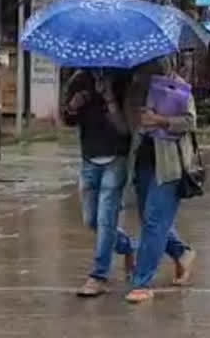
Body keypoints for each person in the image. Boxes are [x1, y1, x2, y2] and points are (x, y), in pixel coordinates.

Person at [123, 57, 197, 304]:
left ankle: (142, 282)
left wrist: (161, 121)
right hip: (143, 161)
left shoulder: (178, 87)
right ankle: (181, 252)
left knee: (154, 222)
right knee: (150, 220)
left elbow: (190, 121)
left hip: (169, 166)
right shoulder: (135, 89)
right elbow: (128, 123)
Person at [62, 69, 135, 297]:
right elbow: (67, 119)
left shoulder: (124, 79)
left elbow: (125, 129)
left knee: (106, 219)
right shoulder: (78, 80)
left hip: (116, 158)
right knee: (91, 220)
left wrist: (110, 98)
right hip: (89, 158)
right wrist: (73, 106)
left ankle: (99, 276)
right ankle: (127, 246)